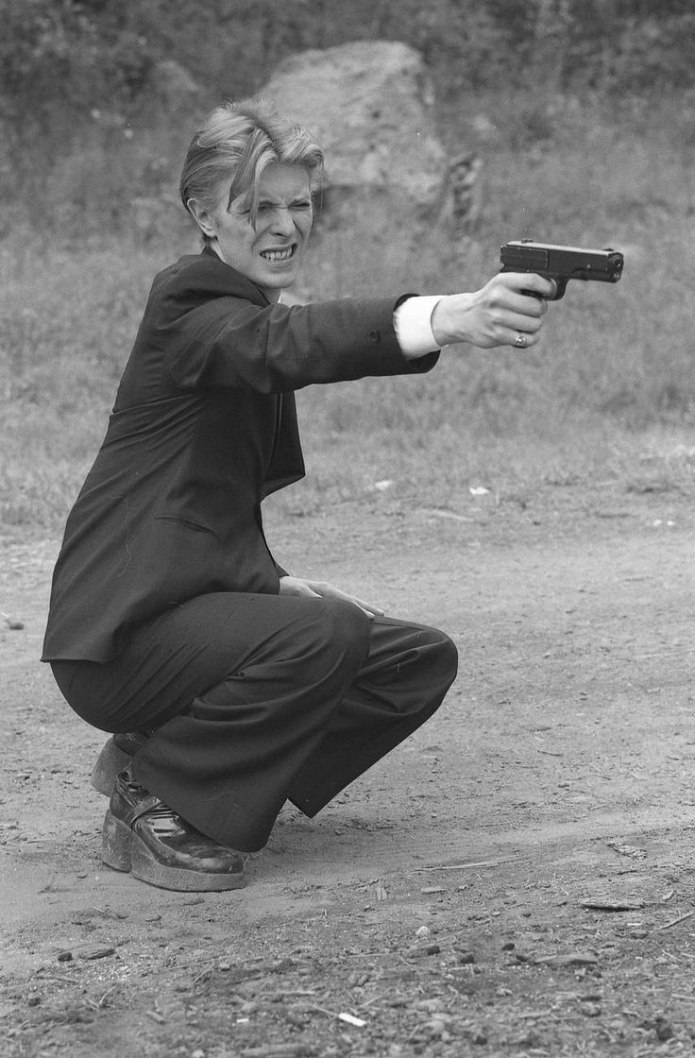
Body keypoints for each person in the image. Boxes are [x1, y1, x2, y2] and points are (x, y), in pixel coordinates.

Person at [42, 98, 554, 893]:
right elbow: (292, 343)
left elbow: (198, 501)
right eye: (258, 207)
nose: (285, 226)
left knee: (411, 660)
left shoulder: (243, 310)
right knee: (323, 636)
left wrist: (270, 585)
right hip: (118, 643)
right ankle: (158, 797)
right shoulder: (190, 305)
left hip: (176, 614)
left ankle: (166, 756)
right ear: (204, 216)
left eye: (300, 204)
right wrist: (446, 317)